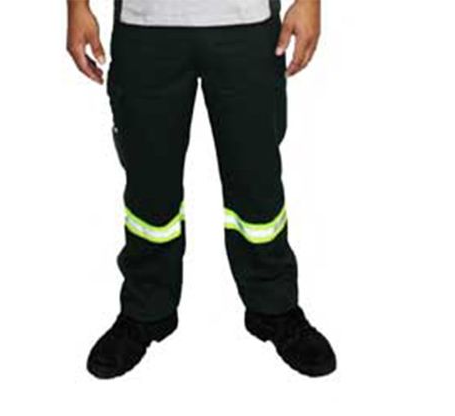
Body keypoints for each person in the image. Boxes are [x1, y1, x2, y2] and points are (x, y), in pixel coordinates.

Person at [67, 0, 336, 379]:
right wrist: (77, 7)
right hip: (145, 26)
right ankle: (147, 308)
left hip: (247, 25)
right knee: (149, 188)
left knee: (256, 183)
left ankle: (273, 306)